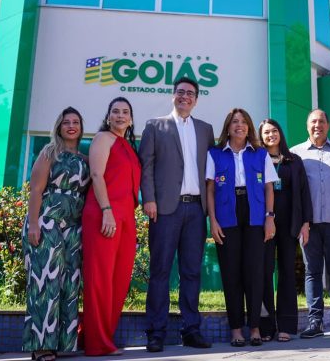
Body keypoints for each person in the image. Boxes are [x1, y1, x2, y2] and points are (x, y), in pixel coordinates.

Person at [139, 77, 215, 353]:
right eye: (180, 92)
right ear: (173, 95)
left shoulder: (206, 130)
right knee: (159, 271)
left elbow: (210, 173)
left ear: (196, 99)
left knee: (192, 272)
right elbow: (145, 167)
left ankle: (191, 330)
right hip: (164, 210)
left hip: (196, 210)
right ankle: (155, 332)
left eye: (190, 93)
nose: (185, 97)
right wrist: (148, 199)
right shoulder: (154, 126)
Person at [23, 107, 90, 361]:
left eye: (76, 122)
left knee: (69, 285)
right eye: (66, 122)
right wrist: (33, 224)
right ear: (59, 127)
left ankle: (62, 343)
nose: (71, 126)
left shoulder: (85, 160)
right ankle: (41, 347)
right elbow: (36, 191)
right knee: (44, 284)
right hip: (47, 222)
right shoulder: (49, 152)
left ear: (81, 127)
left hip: (74, 228)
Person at [206, 108, 276, 347]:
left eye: (244, 122)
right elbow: (210, 190)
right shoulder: (215, 154)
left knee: (254, 273)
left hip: (256, 216)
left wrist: (270, 217)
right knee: (231, 273)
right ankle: (236, 329)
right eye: (235, 122)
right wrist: (212, 220)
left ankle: (254, 327)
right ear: (228, 126)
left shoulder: (260, 154)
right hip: (227, 217)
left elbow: (268, 187)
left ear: (249, 127)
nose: (240, 125)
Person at [82, 97, 141, 356]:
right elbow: (96, 174)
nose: (120, 116)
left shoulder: (128, 145)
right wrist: (106, 211)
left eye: (125, 112)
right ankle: (97, 343)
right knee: (100, 279)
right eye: (115, 111)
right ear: (108, 117)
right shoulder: (103, 138)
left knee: (119, 279)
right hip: (104, 213)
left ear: (130, 119)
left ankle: (103, 337)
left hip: (127, 217)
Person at [290, 109, 330, 339]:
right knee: (312, 272)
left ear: (329, 125)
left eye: (322, 121)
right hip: (309, 224)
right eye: (313, 122)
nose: (318, 125)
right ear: (307, 126)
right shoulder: (296, 154)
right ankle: (315, 321)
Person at [258, 118, 312, 342]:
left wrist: (306, 223)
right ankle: (266, 325)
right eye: (266, 132)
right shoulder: (257, 159)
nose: (271, 135)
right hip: (263, 224)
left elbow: (304, 192)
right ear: (261, 137)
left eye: (274, 131)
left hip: (290, 224)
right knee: (264, 272)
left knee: (287, 273)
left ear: (280, 133)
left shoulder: (294, 161)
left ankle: (287, 326)